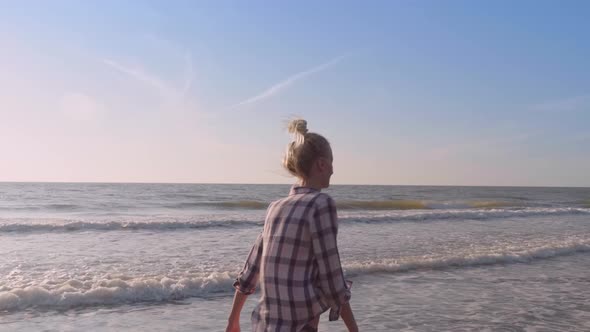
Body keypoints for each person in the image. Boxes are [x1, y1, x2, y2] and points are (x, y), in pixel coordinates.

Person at [226, 119, 358, 332]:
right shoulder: (320, 204)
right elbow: (332, 280)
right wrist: (354, 329)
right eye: (332, 163)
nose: (333, 170)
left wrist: (232, 320)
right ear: (322, 164)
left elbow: (251, 269)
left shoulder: (275, 207)